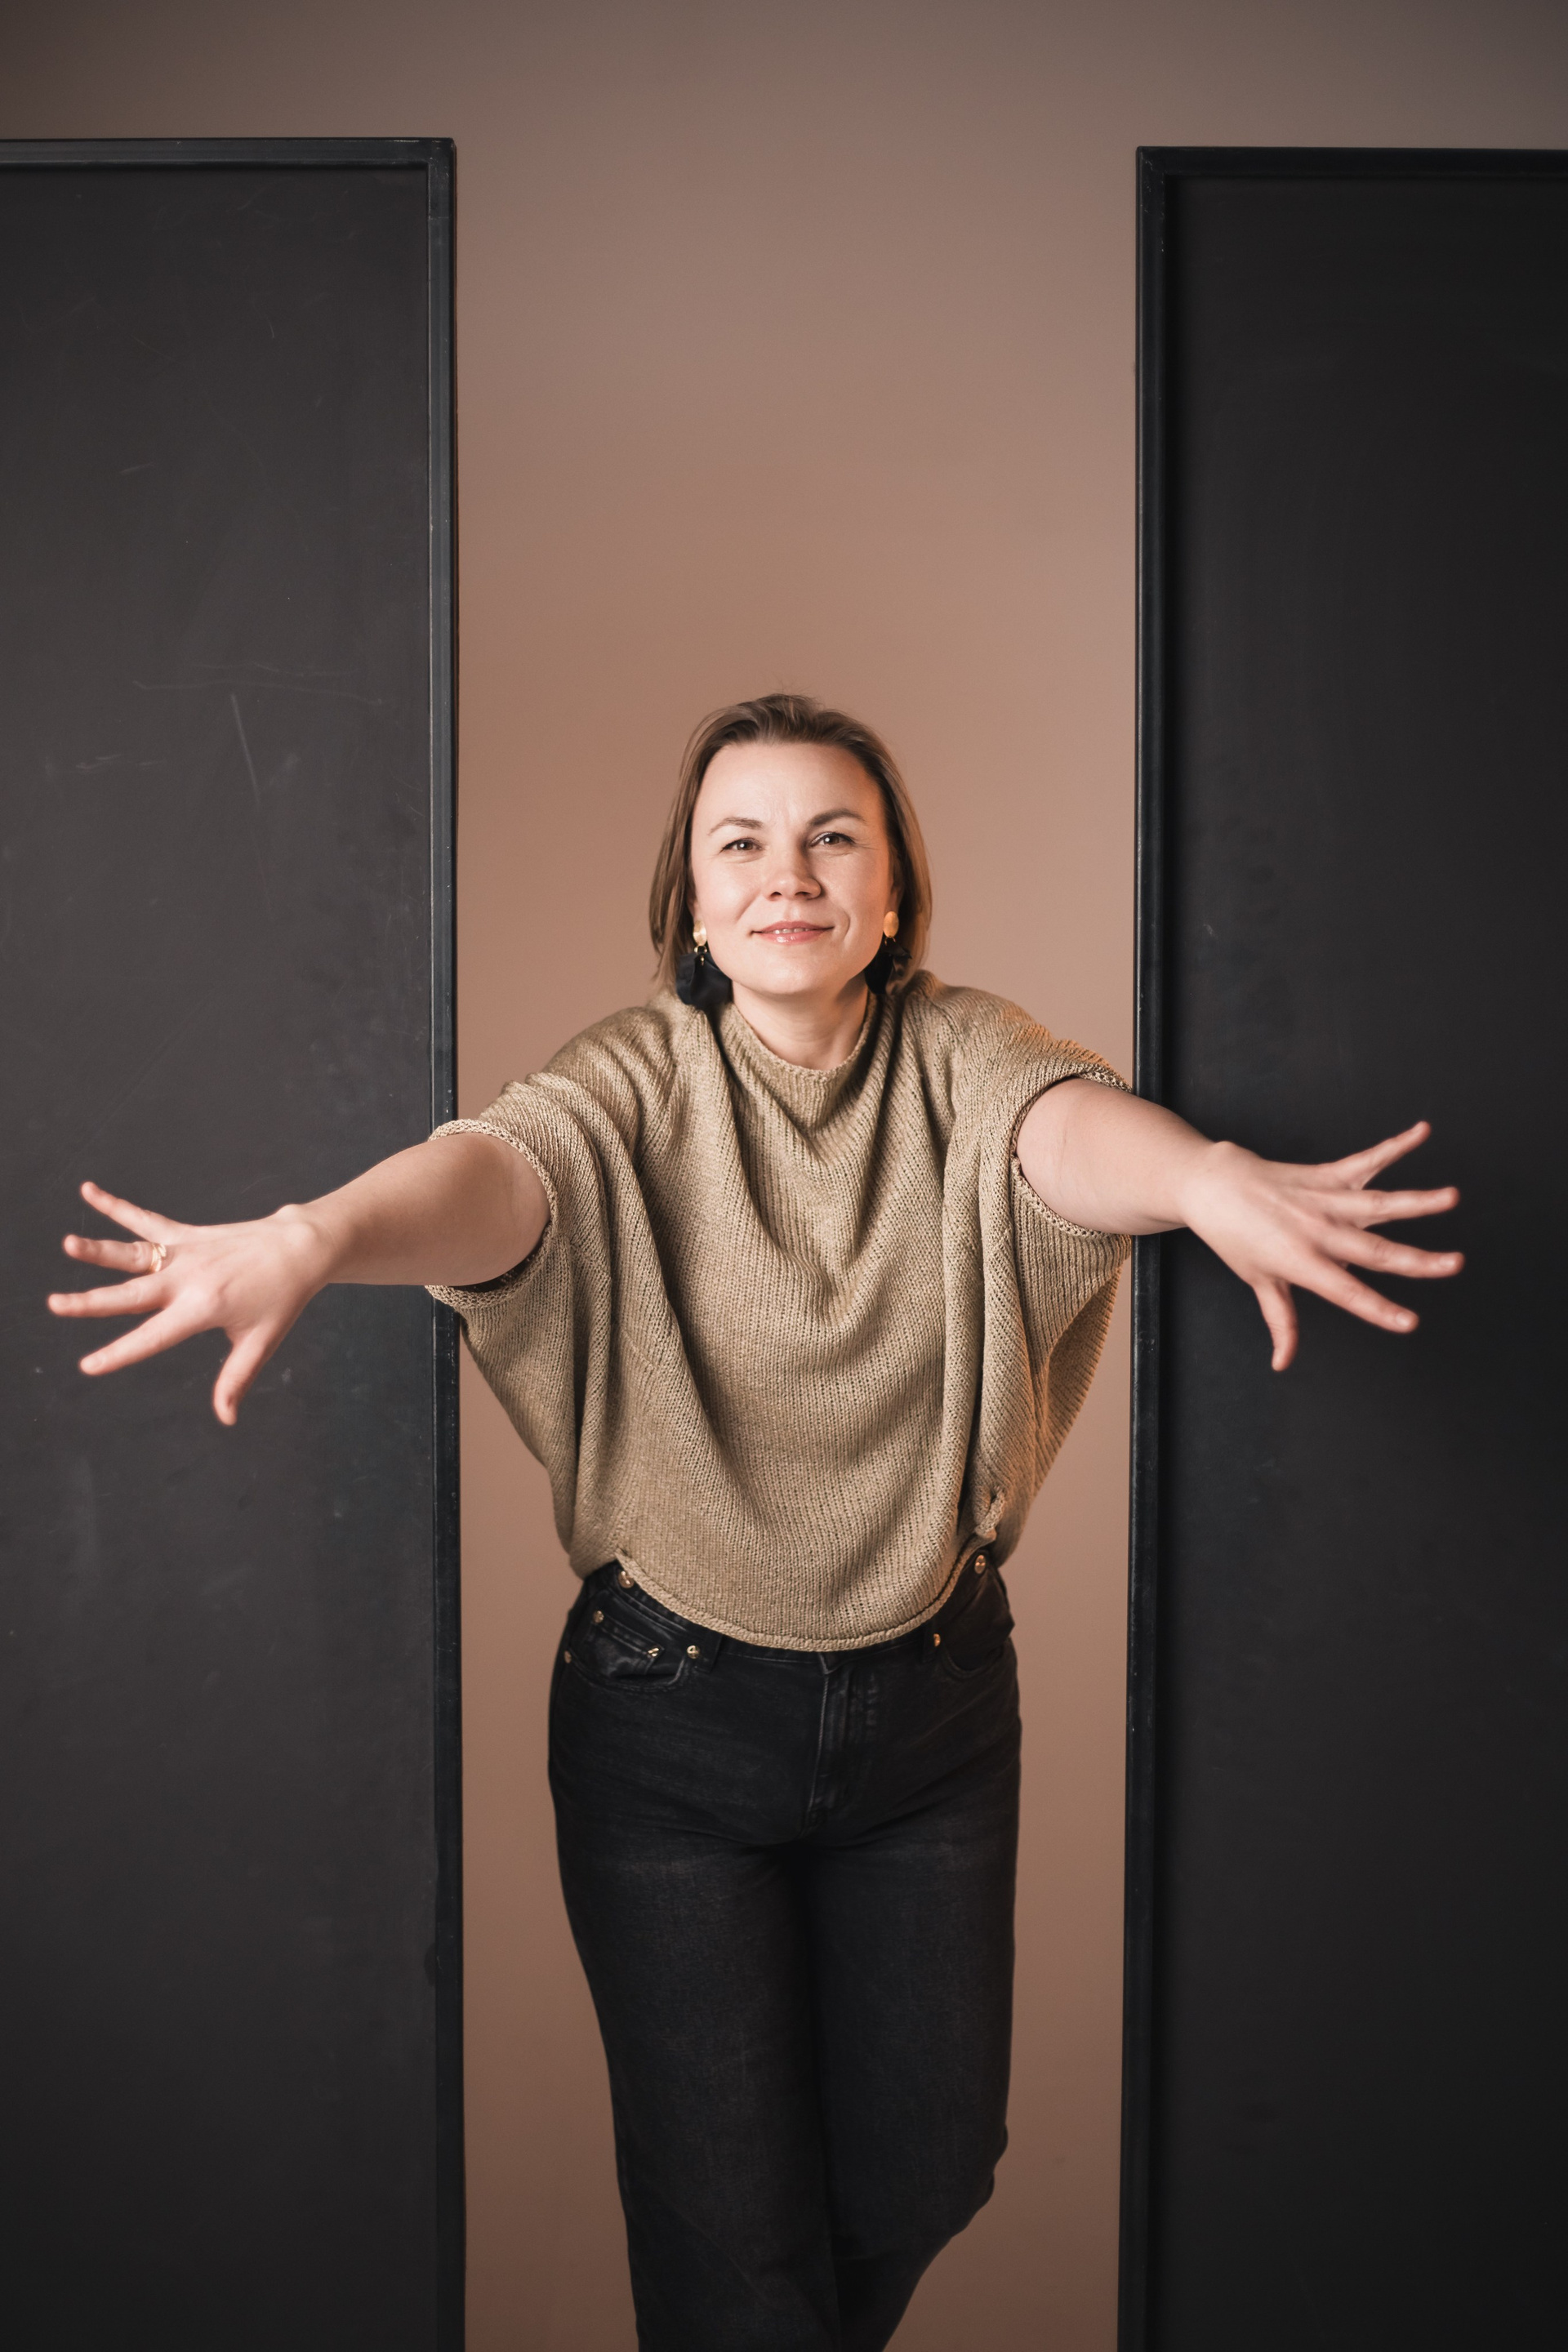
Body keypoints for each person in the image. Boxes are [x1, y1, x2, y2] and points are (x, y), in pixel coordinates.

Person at [47, 693, 1461, 2351]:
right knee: (734, 2247)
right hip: (672, 1728)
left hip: (933, 1718)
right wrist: (319, 1234)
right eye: (743, 844)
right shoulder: (635, 1079)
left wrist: (1207, 1180)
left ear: (891, 893)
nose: (788, 873)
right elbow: (501, 1177)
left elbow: (1062, 1131)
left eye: (831, 838)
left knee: (926, 2174)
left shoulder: (961, 1053)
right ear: (696, 903)